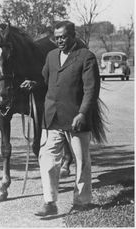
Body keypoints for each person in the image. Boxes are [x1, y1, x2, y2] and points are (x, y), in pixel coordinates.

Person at [35, 21, 107, 217]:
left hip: (77, 119)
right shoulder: (51, 57)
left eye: (63, 36)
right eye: (56, 37)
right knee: (47, 160)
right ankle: (50, 202)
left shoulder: (86, 57)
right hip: (52, 118)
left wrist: (83, 113)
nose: (59, 40)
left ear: (73, 36)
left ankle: (82, 202)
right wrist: (31, 84)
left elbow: (91, 89)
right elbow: (44, 81)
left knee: (81, 161)